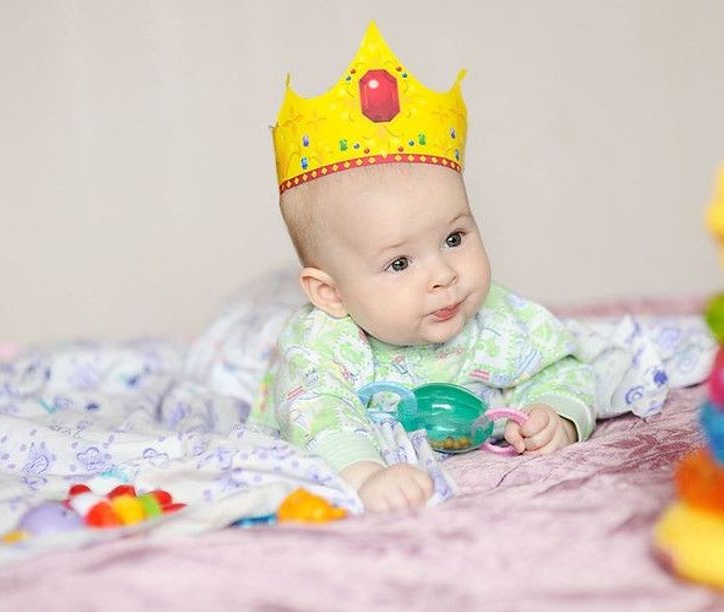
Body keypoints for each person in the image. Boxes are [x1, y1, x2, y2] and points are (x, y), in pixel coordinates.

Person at [249, 22, 596, 513]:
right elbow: (316, 410)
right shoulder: (326, 344)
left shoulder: (496, 319)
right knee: (243, 352)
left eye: (454, 239)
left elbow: (562, 364)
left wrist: (557, 415)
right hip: (303, 390)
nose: (443, 275)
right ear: (331, 294)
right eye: (399, 262)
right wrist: (366, 473)